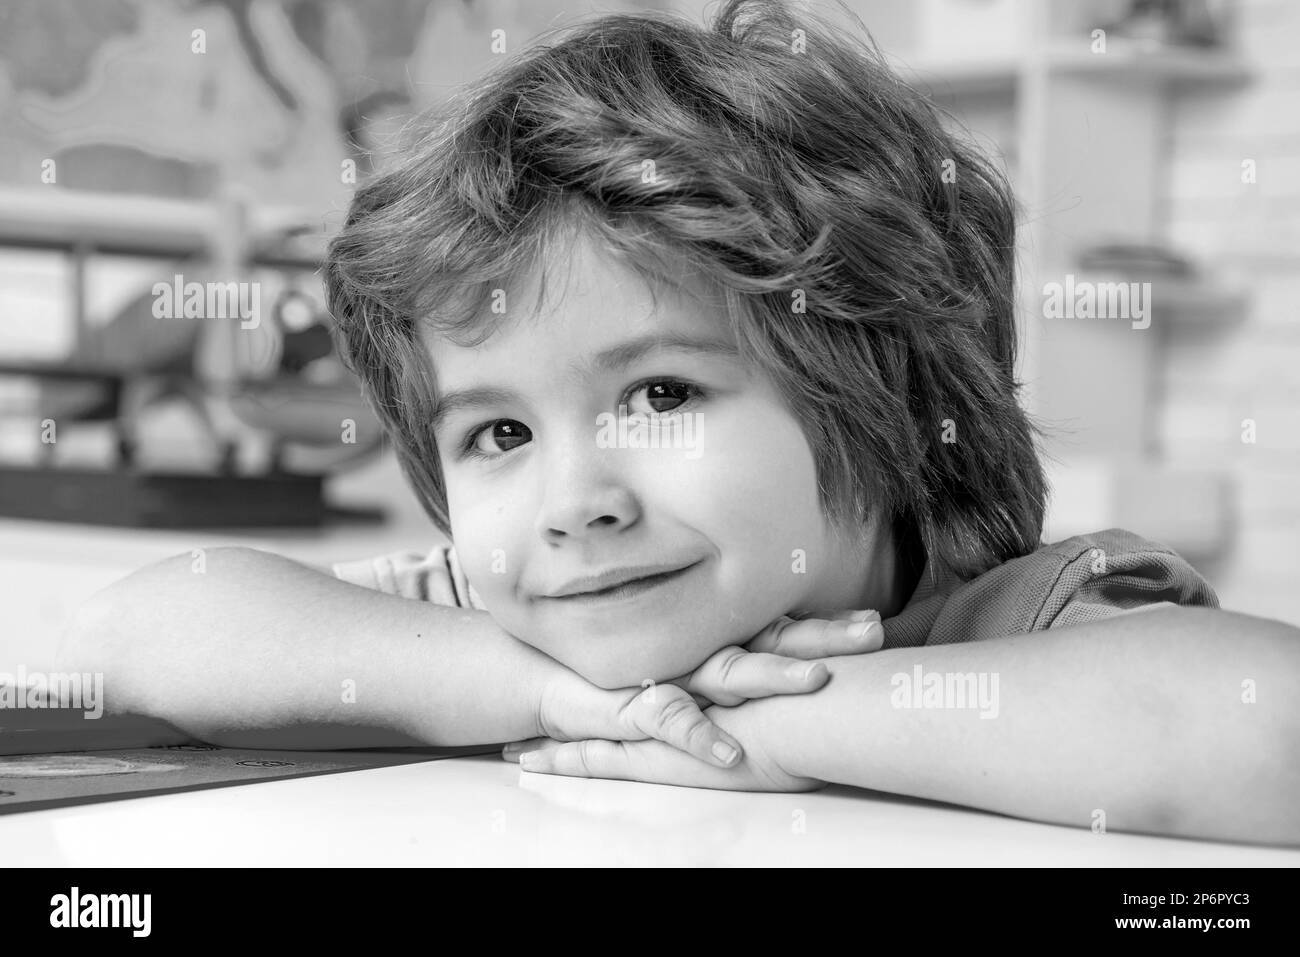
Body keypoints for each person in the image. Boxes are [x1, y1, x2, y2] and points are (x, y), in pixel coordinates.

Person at [59, 0, 1299, 844]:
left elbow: (1263, 730)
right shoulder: (534, 624)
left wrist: (772, 726)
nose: (573, 499)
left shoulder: (1012, 623)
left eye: (660, 395)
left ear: (893, 399)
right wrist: (534, 693)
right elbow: (131, 629)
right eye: (497, 434)